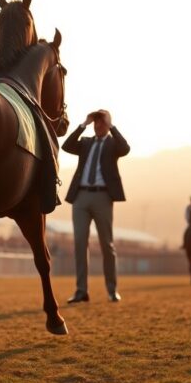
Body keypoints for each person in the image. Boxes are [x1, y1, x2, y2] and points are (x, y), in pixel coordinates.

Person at [61, 109, 130, 303]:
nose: (98, 126)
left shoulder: (113, 144)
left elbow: (125, 149)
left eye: (102, 122)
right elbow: (66, 145)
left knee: (106, 245)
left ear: (107, 124)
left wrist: (112, 126)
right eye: (96, 123)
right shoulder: (85, 143)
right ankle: (81, 291)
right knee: (80, 244)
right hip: (80, 197)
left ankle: (111, 289)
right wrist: (84, 124)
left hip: (103, 197)